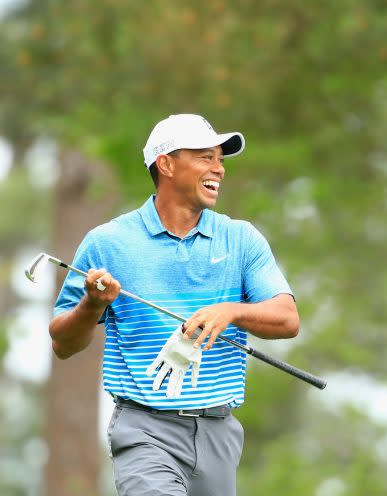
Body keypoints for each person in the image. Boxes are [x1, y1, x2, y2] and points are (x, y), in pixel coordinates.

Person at [50, 114, 300, 495]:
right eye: (205, 157)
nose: (218, 168)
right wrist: (91, 305)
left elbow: (287, 319)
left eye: (220, 159)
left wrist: (232, 310)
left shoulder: (241, 239)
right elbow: (62, 343)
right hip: (144, 429)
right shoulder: (108, 242)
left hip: (219, 432)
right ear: (166, 164)